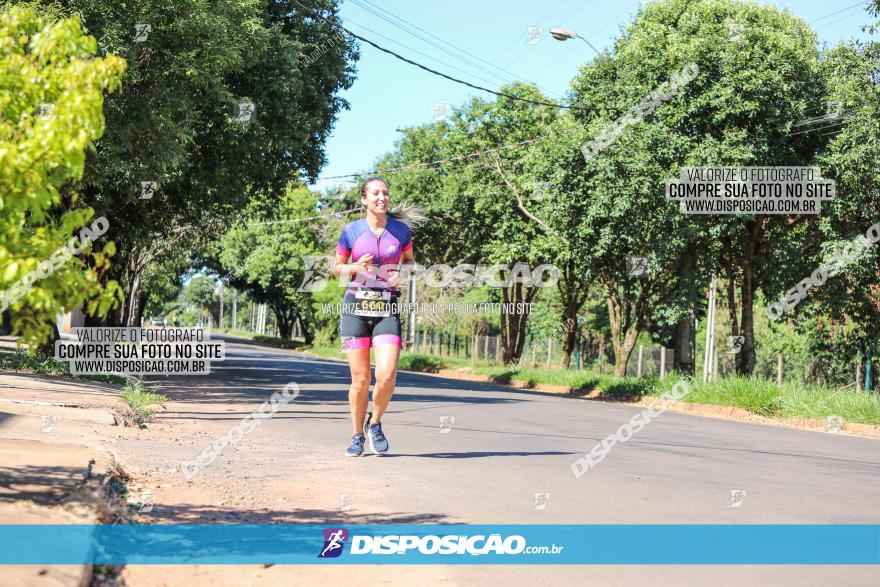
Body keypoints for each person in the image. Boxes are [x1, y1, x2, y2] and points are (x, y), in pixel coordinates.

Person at [333, 177, 423, 456]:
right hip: (354, 311)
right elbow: (336, 268)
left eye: (385, 193)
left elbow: (412, 265)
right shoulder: (351, 231)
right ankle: (356, 435)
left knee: (386, 375)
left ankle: (375, 422)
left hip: (386, 309)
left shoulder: (401, 231)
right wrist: (353, 267)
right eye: (375, 193)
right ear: (364, 199)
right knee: (360, 380)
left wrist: (402, 274)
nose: (382, 197)